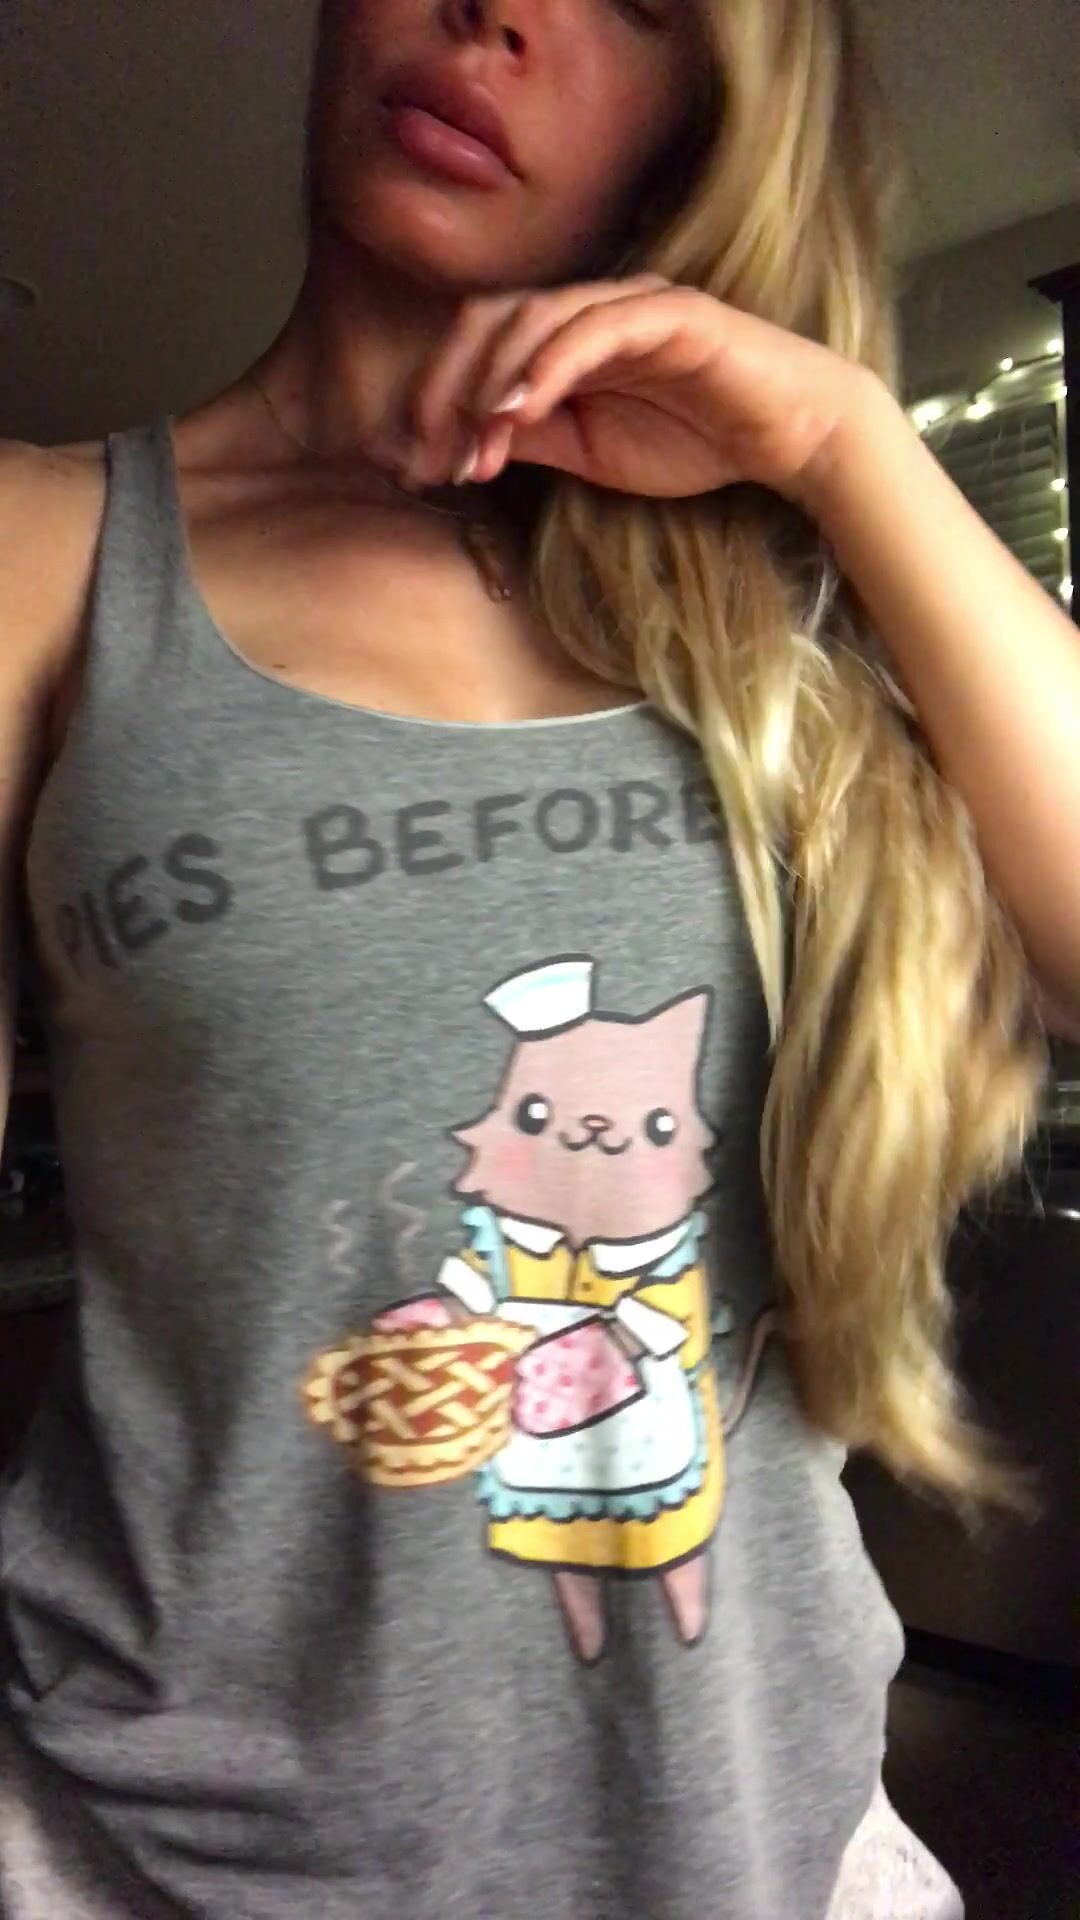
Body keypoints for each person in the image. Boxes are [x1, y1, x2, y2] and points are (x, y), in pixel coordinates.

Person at [0, 1, 1077, 1915]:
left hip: (774, 1852)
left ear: (707, 118)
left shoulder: (797, 599)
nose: (502, 7)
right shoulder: (50, 549)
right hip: (162, 1863)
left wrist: (844, 444)